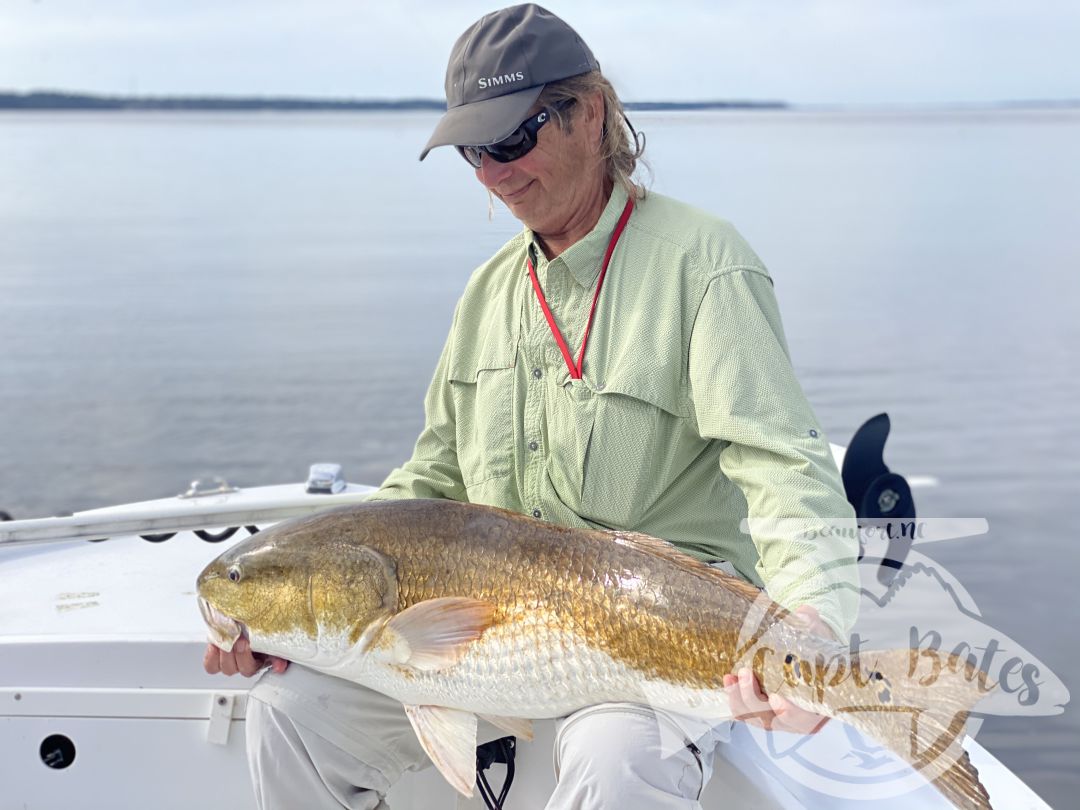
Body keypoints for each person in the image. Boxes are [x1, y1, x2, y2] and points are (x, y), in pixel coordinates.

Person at [205, 5, 863, 808]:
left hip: (649, 634)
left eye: (512, 140)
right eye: (473, 152)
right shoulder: (487, 293)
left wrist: (814, 624)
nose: (493, 174)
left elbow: (783, 463)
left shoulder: (705, 264)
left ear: (591, 113)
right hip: (478, 636)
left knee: (618, 759)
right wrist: (305, 619)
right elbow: (433, 475)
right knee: (290, 714)